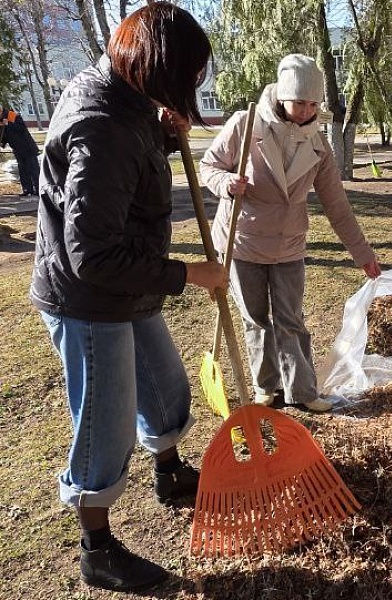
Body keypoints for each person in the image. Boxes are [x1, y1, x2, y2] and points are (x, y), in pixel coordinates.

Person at [29, 3, 228, 592]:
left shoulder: (127, 99)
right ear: (155, 66)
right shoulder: (99, 122)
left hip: (126, 285)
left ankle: (168, 474)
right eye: (188, 76)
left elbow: (131, 165)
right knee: (105, 425)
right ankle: (97, 549)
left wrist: (166, 135)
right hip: (88, 297)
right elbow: (91, 253)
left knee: (166, 388)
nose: (193, 87)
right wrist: (188, 274)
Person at [200, 53, 381, 413]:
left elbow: (337, 205)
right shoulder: (245, 124)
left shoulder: (318, 143)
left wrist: (363, 255)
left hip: (288, 244)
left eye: (313, 103)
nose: (306, 110)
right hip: (242, 240)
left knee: (291, 319)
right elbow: (209, 166)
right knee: (256, 319)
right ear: (282, 96)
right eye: (299, 102)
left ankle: (302, 390)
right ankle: (266, 385)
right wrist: (225, 182)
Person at [0, 106, 40, 197]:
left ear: (1, 111)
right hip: (17, 149)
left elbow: (21, 128)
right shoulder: (2, 120)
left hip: (27, 147)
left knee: (33, 169)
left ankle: (38, 189)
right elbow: (5, 135)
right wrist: (2, 143)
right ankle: (27, 189)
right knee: (22, 170)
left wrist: (8, 124)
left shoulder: (12, 115)